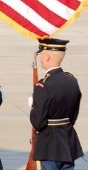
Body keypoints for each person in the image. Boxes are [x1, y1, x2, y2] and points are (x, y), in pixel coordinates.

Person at [29, 38, 83, 169]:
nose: (41, 57)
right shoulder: (71, 80)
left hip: (48, 146)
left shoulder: (43, 85)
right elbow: (73, 115)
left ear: (47, 57)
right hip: (67, 142)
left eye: (41, 54)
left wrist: (33, 107)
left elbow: (38, 122)